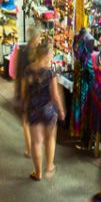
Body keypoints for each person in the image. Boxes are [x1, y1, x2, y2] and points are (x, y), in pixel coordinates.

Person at [21, 39, 64, 181]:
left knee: (36, 142)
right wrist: (61, 110)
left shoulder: (27, 70)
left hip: (33, 109)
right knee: (50, 138)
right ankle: (49, 166)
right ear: (48, 54)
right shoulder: (50, 72)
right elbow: (55, 96)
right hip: (48, 110)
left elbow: (23, 92)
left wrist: (25, 106)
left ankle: (37, 172)